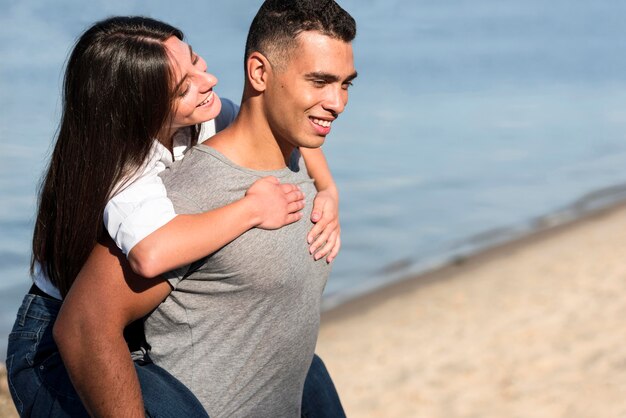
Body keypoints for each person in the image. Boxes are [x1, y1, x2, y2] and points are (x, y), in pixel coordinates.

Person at [6, 14, 343, 418]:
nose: (209, 81)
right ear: (142, 111)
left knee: (308, 373)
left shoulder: (205, 116)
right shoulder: (128, 175)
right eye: (184, 88)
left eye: (197, 62)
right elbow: (151, 254)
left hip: (131, 327)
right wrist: (250, 209)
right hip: (49, 344)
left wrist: (328, 189)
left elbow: (285, 118)